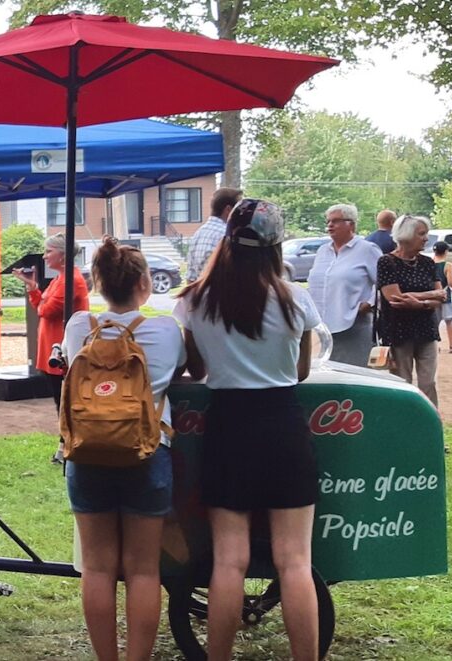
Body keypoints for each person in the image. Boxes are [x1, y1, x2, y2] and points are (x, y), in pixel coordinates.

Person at [174, 198, 321, 661]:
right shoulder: (295, 299)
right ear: (276, 246)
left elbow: (195, 370)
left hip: (228, 428)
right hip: (282, 426)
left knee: (228, 560)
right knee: (295, 561)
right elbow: (300, 372)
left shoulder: (195, 299)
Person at [62, 237, 184, 661]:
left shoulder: (80, 325)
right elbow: (184, 370)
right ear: (145, 283)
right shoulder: (166, 330)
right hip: (148, 454)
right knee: (143, 569)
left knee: (96, 568)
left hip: (87, 453)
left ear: (97, 282)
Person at [13, 232, 90, 464]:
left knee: (65, 400)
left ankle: (68, 445)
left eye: (49, 251)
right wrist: (32, 287)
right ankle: (64, 444)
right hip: (53, 348)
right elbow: (41, 305)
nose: (45, 257)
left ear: (63, 255)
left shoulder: (71, 280)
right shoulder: (60, 279)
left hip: (64, 349)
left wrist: (42, 301)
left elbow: (46, 310)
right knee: (60, 399)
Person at [377, 215, 444, 407]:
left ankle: (430, 421)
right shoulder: (386, 262)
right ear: (406, 235)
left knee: (428, 382)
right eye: (421, 234)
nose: (425, 238)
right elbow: (394, 298)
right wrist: (429, 296)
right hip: (399, 331)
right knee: (402, 382)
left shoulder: (427, 263)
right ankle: (405, 421)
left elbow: (441, 296)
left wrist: (416, 301)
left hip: (426, 329)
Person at [307, 203, 383, 366]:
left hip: (354, 323)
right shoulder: (322, 251)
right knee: (328, 371)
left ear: (351, 224)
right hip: (324, 326)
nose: (330, 225)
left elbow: (384, 282)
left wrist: (369, 303)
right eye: (328, 221)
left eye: (335, 221)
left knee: (354, 372)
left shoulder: (367, 249)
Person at [185, 187, 243, 282]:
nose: (241, 213)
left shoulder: (198, 234)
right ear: (228, 209)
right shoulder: (227, 236)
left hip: (202, 293)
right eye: (239, 209)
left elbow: (191, 278)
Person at [433, 241, 452, 353]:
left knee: (434, 322)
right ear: (445, 251)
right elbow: (451, 282)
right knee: (449, 321)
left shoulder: (429, 263)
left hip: (432, 296)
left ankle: (435, 346)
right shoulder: (448, 265)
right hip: (446, 297)